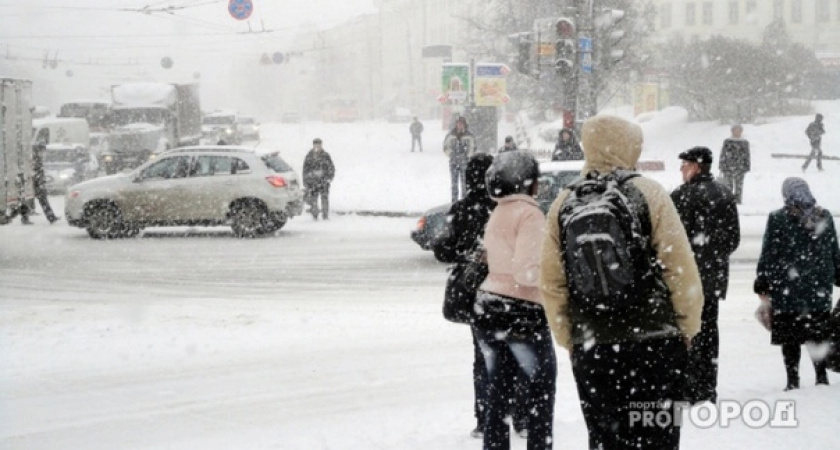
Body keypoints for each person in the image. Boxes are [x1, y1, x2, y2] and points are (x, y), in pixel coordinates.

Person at [541, 115, 703, 450]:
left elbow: (551, 282)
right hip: (654, 340)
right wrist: (686, 327)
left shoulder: (564, 202)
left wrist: (568, 336)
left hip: (594, 344)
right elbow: (680, 268)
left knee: (605, 438)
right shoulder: (649, 193)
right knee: (658, 436)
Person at [431, 154, 529, 439]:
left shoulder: (461, 209)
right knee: (518, 351)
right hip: (512, 292)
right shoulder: (510, 207)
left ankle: (486, 417)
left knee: (485, 357)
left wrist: (465, 255)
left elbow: (442, 250)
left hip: (478, 298)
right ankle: (521, 416)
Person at [474, 150, 556, 450]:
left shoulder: (499, 211)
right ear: (528, 182)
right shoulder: (530, 213)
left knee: (499, 391)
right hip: (521, 309)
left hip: (488, 304)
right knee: (541, 391)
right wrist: (555, 273)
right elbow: (526, 272)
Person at [754, 177, 840, 390]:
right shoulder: (824, 216)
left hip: (787, 289)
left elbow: (769, 253)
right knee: (817, 334)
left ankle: (793, 381)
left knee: (790, 337)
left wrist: (763, 279)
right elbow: (833, 249)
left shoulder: (778, 218)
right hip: (818, 289)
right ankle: (821, 378)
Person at [671, 146, 741, 404]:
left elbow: (670, 241)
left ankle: (689, 388)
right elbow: (733, 239)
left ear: (696, 167)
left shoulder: (682, 196)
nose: (681, 169)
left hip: (686, 279)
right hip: (713, 279)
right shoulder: (724, 193)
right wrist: (714, 257)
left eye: (684, 164)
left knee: (687, 332)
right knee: (709, 331)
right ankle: (708, 388)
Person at [20, 141, 60, 225]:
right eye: (42, 150)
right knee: (32, 200)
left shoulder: (36, 157)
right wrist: (39, 181)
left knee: (31, 200)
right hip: (35, 183)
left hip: (36, 183)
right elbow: (34, 171)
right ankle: (50, 217)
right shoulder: (35, 158)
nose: (43, 152)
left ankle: (51, 217)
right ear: (39, 149)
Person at [443, 116, 476, 203]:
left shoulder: (469, 135)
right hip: (453, 162)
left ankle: (464, 201)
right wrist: (451, 154)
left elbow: (473, 147)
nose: (460, 125)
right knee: (454, 183)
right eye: (458, 123)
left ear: (464, 124)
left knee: (464, 183)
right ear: (456, 124)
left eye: (461, 123)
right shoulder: (450, 135)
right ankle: (454, 202)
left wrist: (467, 156)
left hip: (465, 163)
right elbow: (445, 147)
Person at [302, 138, 335, 220]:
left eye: (319, 145)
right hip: (313, 182)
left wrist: (329, 178)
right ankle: (315, 215)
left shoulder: (325, 156)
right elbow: (305, 170)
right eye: (316, 145)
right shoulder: (309, 156)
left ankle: (325, 215)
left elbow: (331, 168)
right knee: (314, 199)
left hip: (324, 181)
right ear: (313, 145)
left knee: (324, 198)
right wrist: (306, 181)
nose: (317, 147)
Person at [718, 124, 751, 204]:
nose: (737, 132)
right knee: (728, 185)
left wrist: (747, 166)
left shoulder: (744, 142)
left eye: (739, 130)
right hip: (728, 167)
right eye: (735, 130)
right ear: (732, 131)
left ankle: (738, 199)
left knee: (739, 185)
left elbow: (747, 155)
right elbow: (723, 153)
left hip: (740, 167)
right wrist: (722, 165)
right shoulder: (727, 141)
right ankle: (729, 200)